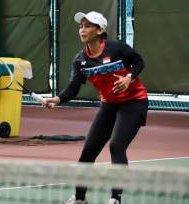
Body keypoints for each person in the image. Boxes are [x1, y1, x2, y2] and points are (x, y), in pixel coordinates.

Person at [42, 11, 148, 204]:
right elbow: (73, 88)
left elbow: (139, 61)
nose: (82, 30)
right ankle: (80, 199)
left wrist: (129, 78)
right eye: (81, 26)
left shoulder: (117, 49)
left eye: (87, 26)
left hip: (134, 102)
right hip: (108, 105)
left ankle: (115, 199)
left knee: (117, 145)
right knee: (88, 151)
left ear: (100, 30)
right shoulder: (80, 60)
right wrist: (56, 99)